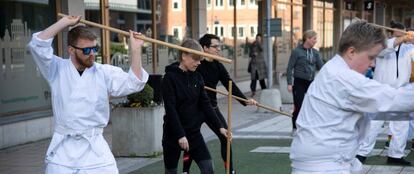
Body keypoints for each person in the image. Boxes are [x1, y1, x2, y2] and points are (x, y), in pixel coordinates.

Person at [27, 15, 149, 173]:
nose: (92, 53)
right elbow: (37, 45)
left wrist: (136, 49)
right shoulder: (56, 69)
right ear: (71, 50)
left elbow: (135, 83)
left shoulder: (104, 72)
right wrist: (64, 23)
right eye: (86, 50)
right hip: (63, 151)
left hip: (96, 150)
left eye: (94, 49)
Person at [289, 20, 414, 173]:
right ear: (351, 52)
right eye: (370, 57)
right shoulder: (344, 78)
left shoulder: (333, 68)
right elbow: (396, 100)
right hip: (325, 166)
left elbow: (383, 110)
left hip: (328, 160)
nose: (372, 64)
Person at [180, 34, 257, 174]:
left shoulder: (218, 65)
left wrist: (245, 100)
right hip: (194, 109)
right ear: (205, 48)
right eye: (215, 47)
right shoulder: (195, 64)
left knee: (226, 137)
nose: (218, 50)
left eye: (219, 47)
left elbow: (230, 85)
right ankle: (185, 171)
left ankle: (230, 170)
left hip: (212, 108)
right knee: (191, 139)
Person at [161, 39, 229, 174]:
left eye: (200, 59)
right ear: (184, 56)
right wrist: (180, 135)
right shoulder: (169, 78)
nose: (199, 63)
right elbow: (170, 109)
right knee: (171, 172)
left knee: (208, 168)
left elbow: (206, 104)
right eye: (196, 59)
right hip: (173, 134)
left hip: (193, 134)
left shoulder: (197, 77)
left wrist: (220, 126)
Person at [356, 21, 414, 166]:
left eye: (404, 31)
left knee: (401, 126)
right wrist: (402, 38)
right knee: (373, 124)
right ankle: (361, 153)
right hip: (381, 91)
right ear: (391, 33)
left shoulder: (409, 48)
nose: (402, 34)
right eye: (398, 32)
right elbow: (386, 48)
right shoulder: (381, 45)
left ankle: (395, 156)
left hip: (400, 91)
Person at [286, 30, 324, 133]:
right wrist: (289, 83)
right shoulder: (296, 51)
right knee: (298, 105)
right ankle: (295, 128)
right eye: (314, 39)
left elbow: (322, 67)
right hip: (299, 82)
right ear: (307, 39)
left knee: (314, 105)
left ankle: (310, 126)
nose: (316, 41)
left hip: (311, 82)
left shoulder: (315, 53)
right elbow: (290, 68)